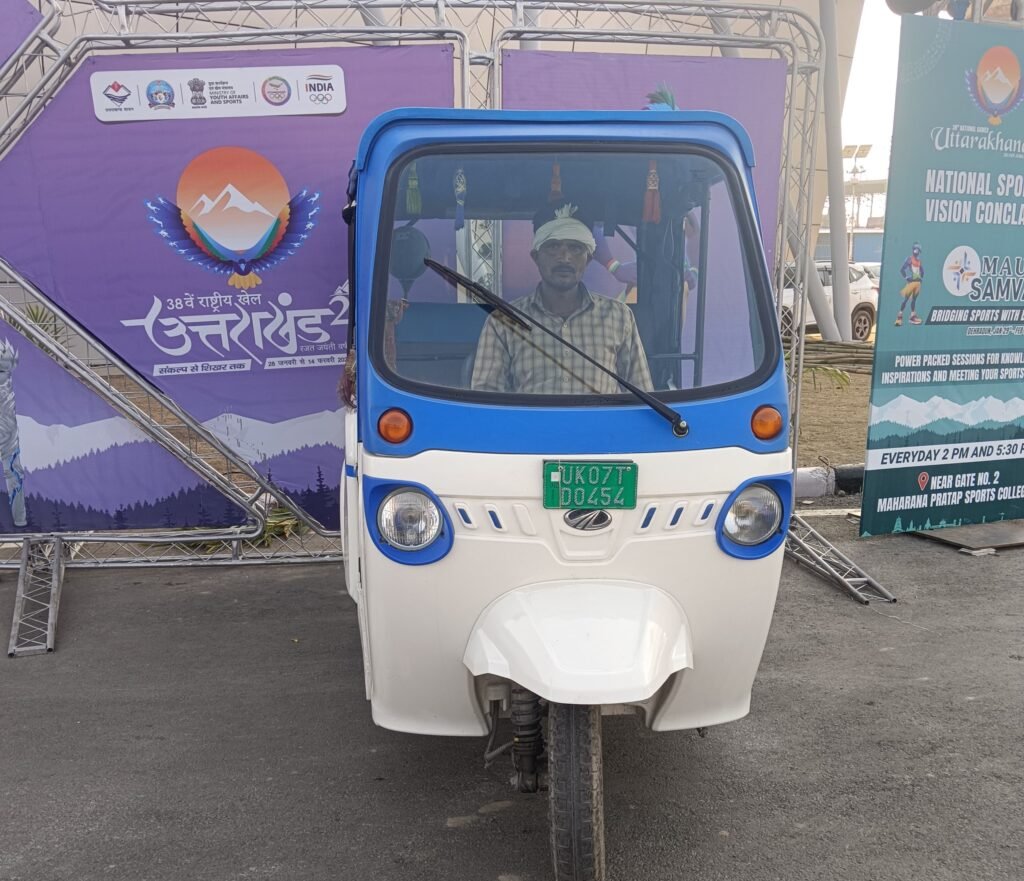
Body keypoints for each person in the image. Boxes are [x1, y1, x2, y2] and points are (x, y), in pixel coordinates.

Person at [471, 204, 653, 394]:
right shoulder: (503, 319)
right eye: (553, 247)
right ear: (536, 257)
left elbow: (642, 396)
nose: (565, 258)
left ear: (588, 259)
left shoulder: (619, 317)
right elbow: (486, 399)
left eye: (575, 248)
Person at [895, 242, 924, 326]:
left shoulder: (919, 261)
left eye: (918, 250)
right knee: (906, 299)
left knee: (914, 300)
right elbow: (902, 269)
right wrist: (906, 277)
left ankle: (912, 316)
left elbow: (922, 271)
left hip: (917, 283)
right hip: (911, 283)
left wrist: (920, 278)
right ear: (913, 250)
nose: (916, 251)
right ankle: (899, 317)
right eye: (915, 249)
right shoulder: (909, 259)